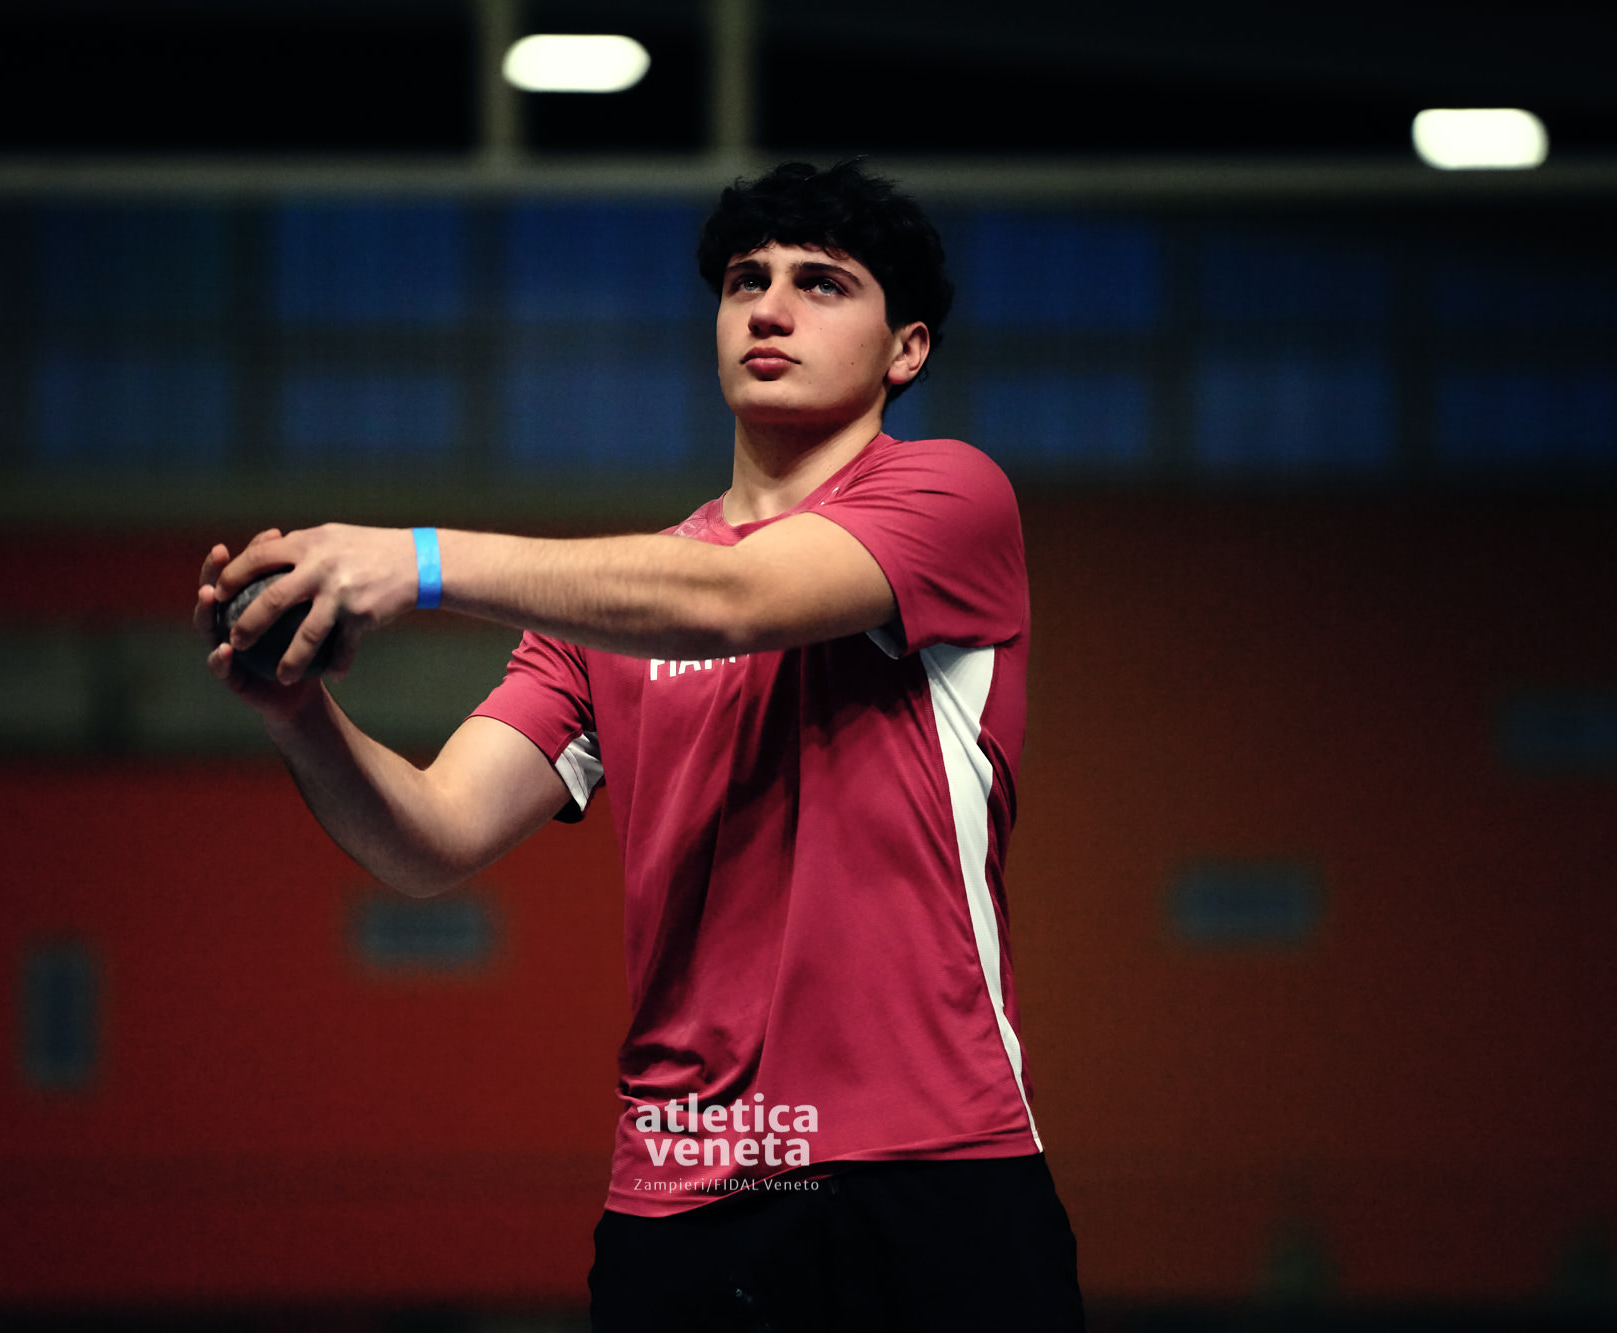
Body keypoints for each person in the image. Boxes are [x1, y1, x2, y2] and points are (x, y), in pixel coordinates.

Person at [195, 160, 1083, 1331]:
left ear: (904, 350)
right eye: (744, 281)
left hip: (931, 1174)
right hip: (683, 1196)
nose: (768, 308)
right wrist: (297, 715)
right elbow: (430, 838)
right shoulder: (606, 615)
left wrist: (417, 559)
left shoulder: (951, 498)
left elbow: (734, 599)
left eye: (821, 284)